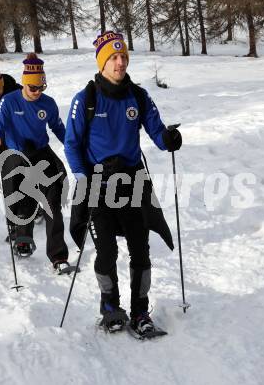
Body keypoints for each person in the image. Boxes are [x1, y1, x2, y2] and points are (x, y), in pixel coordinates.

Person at [64, 31, 182, 336]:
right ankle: (109, 307)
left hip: (133, 182)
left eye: (124, 57)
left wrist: (169, 139)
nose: (120, 63)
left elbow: (157, 131)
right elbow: (71, 144)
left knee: (140, 251)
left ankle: (140, 311)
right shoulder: (85, 99)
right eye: (114, 58)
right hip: (98, 185)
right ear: (102, 62)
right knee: (106, 253)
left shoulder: (138, 96)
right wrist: (81, 176)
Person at [0, 53, 70, 273]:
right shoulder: (10, 100)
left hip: (41, 152)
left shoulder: (48, 104)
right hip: (17, 153)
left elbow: (58, 129)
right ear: (25, 83)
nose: (37, 92)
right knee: (23, 197)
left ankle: (58, 256)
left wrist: (73, 144)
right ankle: (23, 239)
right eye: (33, 88)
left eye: (41, 88)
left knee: (53, 200)